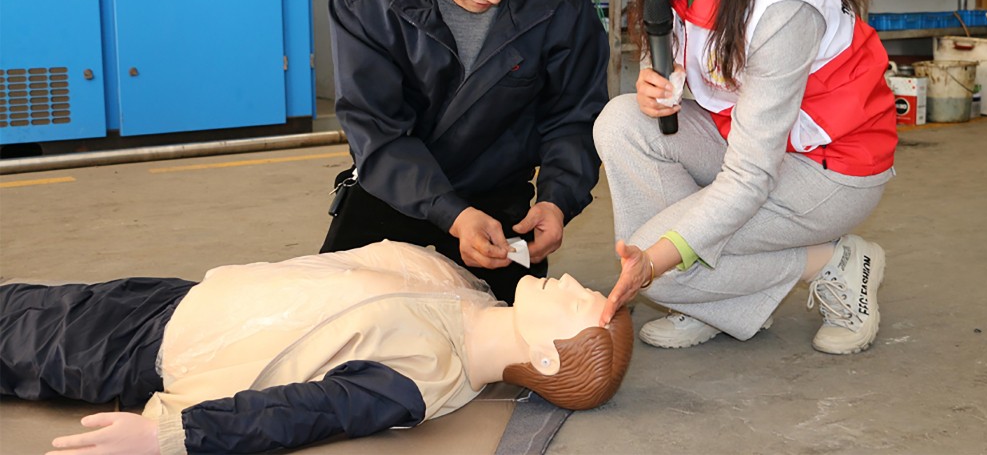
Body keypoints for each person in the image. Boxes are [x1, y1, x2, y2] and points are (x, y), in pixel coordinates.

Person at [594, 0, 898, 355]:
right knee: (622, 120)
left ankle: (834, 262)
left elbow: (751, 176)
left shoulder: (782, 6)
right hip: (748, 141)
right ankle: (709, 300)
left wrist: (660, 257)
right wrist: (652, 79)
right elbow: (688, 53)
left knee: (661, 271)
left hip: (829, 168)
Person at [0, 241, 633, 455]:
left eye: (581, 301)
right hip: (179, 299)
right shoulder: (467, 293)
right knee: (22, 301)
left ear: (547, 358)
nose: (575, 280)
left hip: (143, 349)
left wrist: (170, 437)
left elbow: (295, 416)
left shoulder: (416, 381)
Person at [322, 0, 609, 305]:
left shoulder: (560, 2)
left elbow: (574, 117)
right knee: (334, 311)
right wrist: (452, 214)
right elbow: (378, 132)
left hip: (497, 196)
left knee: (509, 328)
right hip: (395, 188)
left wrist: (557, 200)